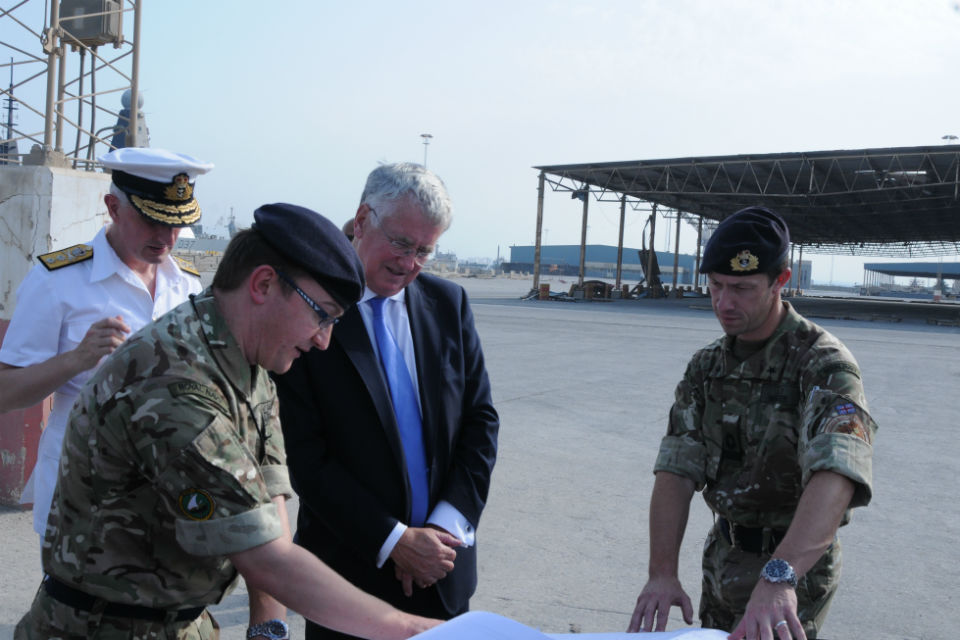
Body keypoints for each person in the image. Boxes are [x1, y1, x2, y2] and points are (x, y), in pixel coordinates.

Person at [15, 203, 442, 640]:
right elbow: (266, 558)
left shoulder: (245, 357)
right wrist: (412, 630)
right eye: (322, 314)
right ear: (263, 284)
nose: (324, 339)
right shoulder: (176, 386)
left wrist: (267, 625)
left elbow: (269, 500)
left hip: (179, 620)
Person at [627, 207, 877, 640]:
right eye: (716, 286)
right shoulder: (706, 366)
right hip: (723, 559)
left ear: (781, 280)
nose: (724, 303)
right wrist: (661, 572)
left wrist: (779, 577)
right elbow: (676, 467)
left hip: (793, 571)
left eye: (742, 288)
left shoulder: (823, 364)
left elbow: (838, 473)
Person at [272, 163, 500, 639]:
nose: (410, 262)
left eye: (424, 250)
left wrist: (441, 532)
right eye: (400, 242)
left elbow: (480, 422)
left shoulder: (449, 305)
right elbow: (307, 458)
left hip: (442, 572)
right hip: (348, 581)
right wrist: (395, 540)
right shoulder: (307, 310)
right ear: (361, 220)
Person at [0, 147, 212, 543]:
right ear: (113, 207)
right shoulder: (58, 281)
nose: (166, 237)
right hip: (83, 493)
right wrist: (76, 359)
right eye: (152, 220)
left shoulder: (186, 285)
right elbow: (5, 393)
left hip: (162, 491)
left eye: (177, 223)